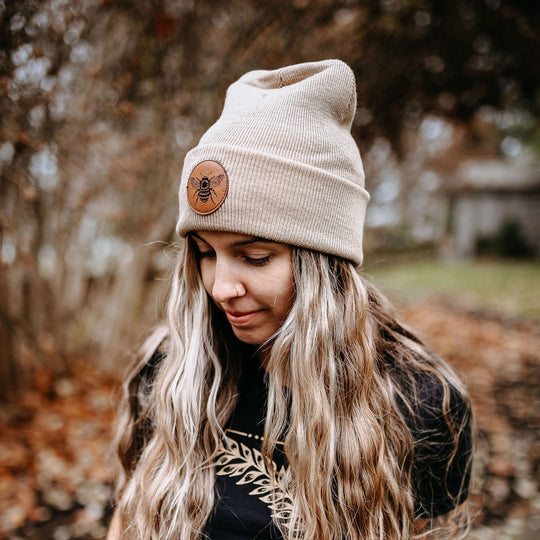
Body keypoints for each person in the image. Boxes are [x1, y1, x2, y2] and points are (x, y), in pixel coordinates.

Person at [107, 60, 473, 540]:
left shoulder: (421, 404)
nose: (220, 288)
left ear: (324, 262)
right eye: (205, 253)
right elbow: (125, 521)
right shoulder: (172, 368)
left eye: (255, 257)